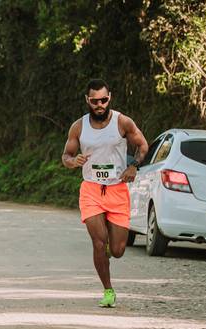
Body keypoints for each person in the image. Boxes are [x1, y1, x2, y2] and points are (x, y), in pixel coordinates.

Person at [62, 78, 148, 308]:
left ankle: (110, 245)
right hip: (91, 189)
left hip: (117, 190)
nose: (99, 105)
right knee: (99, 242)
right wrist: (73, 161)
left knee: (117, 250)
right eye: (94, 101)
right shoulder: (79, 127)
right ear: (87, 100)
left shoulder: (122, 122)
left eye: (103, 100)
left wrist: (133, 166)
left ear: (110, 98)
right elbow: (66, 156)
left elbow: (143, 146)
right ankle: (108, 290)